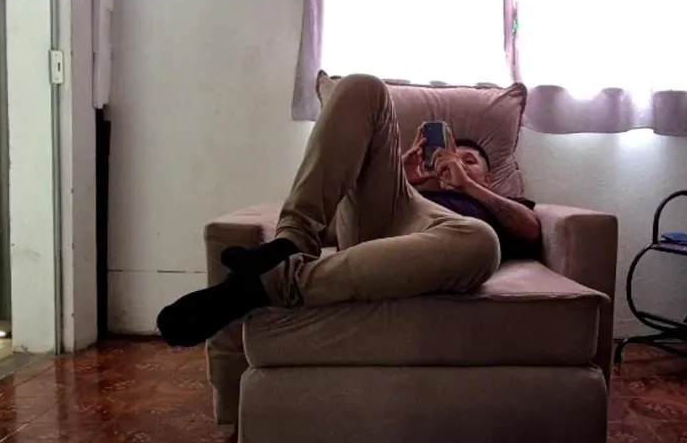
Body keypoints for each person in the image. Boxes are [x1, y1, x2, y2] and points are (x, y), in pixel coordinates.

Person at [156, 73, 542, 347]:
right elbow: (337, 221)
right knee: (363, 86)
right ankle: (290, 242)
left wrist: (468, 186)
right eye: (451, 156)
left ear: (490, 177)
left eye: (470, 160)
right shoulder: (409, 187)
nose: (456, 162)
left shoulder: (497, 203)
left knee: (481, 242)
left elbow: (531, 230)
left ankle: (269, 283)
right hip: (397, 211)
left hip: (441, 239)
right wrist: (402, 177)